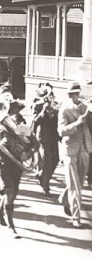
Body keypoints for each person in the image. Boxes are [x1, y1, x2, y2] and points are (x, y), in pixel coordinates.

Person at [0, 98, 39, 238]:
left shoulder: (21, 127)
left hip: (17, 165)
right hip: (2, 164)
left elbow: (36, 143)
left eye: (13, 113)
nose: (11, 117)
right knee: (9, 192)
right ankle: (11, 227)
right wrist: (0, 145)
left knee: (12, 194)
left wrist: (29, 152)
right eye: (10, 113)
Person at [57, 81, 92, 228]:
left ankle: (64, 199)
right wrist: (77, 123)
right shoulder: (64, 109)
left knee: (78, 183)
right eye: (71, 94)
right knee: (75, 186)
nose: (74, 97)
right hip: (70, 149)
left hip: (85, 148)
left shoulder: (85, 107)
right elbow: (61, 131)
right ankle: (76, 217)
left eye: (76, 94)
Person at [31, 85, 61, 196]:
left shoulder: (56, 104)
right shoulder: (38, 106)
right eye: (49, 95)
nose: (51, 97)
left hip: (54, 136)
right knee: (47, 162)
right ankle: (45, 186)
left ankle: (41, 175)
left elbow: (58, 121)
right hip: (43, 137)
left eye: (51, 95)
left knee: (56, 160)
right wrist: (43, 111)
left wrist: (56, 112)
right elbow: (35, 121)